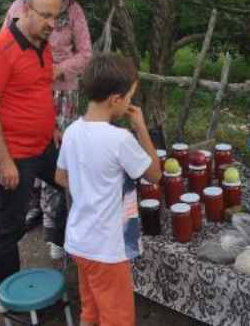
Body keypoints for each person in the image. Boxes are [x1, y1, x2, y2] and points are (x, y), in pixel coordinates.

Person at [0, 0, 68, 313]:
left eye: (55, 17)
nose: (51, 23)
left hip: (44, 145)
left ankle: (61, 245)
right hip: (13, 153)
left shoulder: (42, 45)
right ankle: (0, 293)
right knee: (9, 225)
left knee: (72, 185)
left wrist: (53, 126)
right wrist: (3, 160)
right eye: (45, 15)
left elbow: (40, 89)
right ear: (25, 11)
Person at [55, 53, 161, 326]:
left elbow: (60, 176)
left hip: (80, 240)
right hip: (107, 248)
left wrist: (88, 185)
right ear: (116, 99)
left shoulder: (72, 131)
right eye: (129, 97)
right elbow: (154, 174)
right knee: (117, 319)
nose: (129, 103)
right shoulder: (119, 139)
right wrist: (141, 127)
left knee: (90, 311)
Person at [3, 0, 92, 259]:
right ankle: (31, 210)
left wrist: (58, 69)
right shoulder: (20, 6)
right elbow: (6, 47)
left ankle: (57, 228)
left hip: (62, 93)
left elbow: (87, 53)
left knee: (58, 158)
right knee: (28, 151)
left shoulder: (74, 10)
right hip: (27, 90)